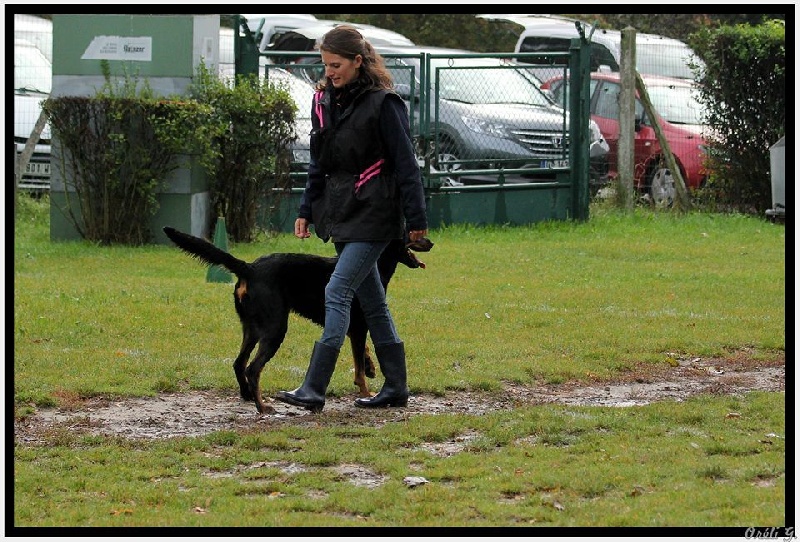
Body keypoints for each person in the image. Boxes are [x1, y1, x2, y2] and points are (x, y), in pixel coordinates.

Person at [274, 25, 428, 413]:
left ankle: (314, 387)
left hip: (376, 214)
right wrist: (305, 210)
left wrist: (416, 220)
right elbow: (319, 163)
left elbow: (407, 165)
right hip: (340, 213)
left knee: (337, 290)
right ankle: (396, 388)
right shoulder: (325, 102)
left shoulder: (385, 103)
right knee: (372, 302)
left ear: (358, 61)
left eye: (336, 65)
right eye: (325, 65)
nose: (329, 73)